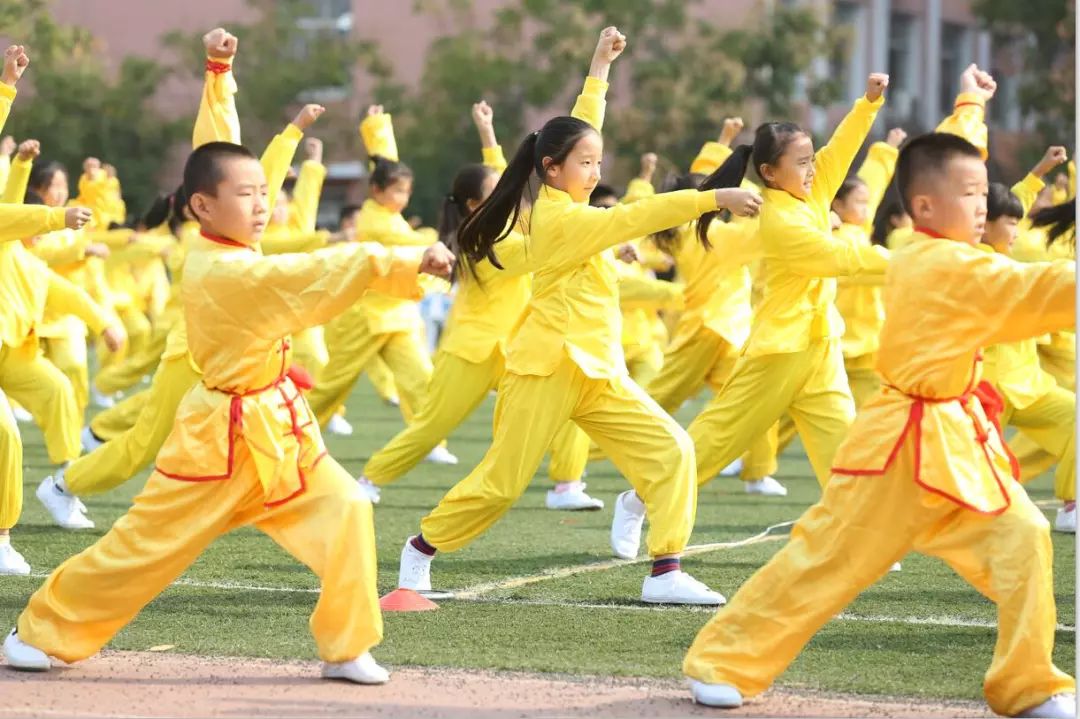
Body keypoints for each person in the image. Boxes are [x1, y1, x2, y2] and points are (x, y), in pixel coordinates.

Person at [683, 131, 1076, 719]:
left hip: (955, 443)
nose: (982, 207)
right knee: (825, 562)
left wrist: (969, 103)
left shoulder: (939, 253)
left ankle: (1028, 685)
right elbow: (1039, 288)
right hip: (897, 452)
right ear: (923, 207)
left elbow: (1019, 273)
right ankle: (721, 662)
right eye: (969, 195)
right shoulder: (941, 263)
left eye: (981, 194)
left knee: (1024, 536)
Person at [398, 27, 762, 605]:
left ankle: (665, 571)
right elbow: (640, 215)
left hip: (597, 369)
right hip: (545, 368)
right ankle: (420, 550)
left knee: (674, 450)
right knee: (501, 485)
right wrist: (713, 198)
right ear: (550, 170)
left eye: (599, 161)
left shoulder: (572, 204)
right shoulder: (566, 220)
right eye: (584, 163)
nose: (595, 171)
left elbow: (581, 121)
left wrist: (598, 67)